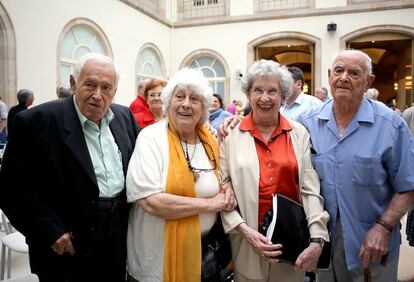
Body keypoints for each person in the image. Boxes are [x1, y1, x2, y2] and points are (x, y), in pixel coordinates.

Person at [0, 53, 140, 282]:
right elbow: (11, 188)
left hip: (116, 234)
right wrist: (50, 230)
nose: (98, 95)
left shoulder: (124, 117)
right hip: (66, 242)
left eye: (106, 88)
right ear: (74, 83)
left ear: (115, 91)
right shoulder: (36, 121)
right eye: (90, 85)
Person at [299, 49, 414, 281]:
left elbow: (408, 185)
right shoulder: (307, 123)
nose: (344, 78)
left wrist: (384, 227)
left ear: (368, 81)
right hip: (324, 250)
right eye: (339, 71)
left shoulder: (391, 125)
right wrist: (233, 124)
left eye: (354, 73)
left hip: (371, 248)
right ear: (330, 75)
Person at [219, 59, 329, 282]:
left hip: (290, 244)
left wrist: (317, 237)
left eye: (272, 91)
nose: (265, 97)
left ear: (283, 96)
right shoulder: (230, 135)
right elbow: (222, 190)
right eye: (257, 90)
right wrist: (245, 232)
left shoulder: (298, 133)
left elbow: (310, 189)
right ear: (248, 94)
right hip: (246, 241)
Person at [126, 68, 236, 282]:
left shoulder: (210, 140)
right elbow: (151, 201)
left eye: (194, 99)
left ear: (204, 108)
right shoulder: (151, 139)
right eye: (180, 96)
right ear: (168, 103)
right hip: (159, 258)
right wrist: (211, 204)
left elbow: (221, 180)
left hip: (204, 258)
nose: (186, 104)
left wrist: (227, 189)